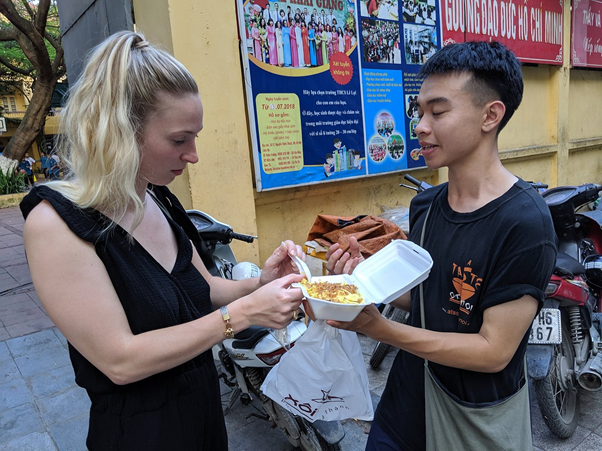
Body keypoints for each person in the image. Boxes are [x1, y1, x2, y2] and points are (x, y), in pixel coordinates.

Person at [20, 31, 305, 450]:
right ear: (120, 131)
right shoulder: (55, 225)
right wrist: (241, 315)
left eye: (195, 137)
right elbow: (120, 360)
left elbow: (202, 290)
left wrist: (260, 284)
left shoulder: (155, 198)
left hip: (203, 421)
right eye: (178, 140)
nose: (193, 156)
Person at [323, 41, 557, 450]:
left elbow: (493, 351)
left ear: (491, 115)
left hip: (471, 415)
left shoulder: (524, 222)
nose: (419, 125)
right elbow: (432, 300)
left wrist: (380, 329)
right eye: (419, 111)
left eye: (438, 111)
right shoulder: (426, 206)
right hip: (405, 401)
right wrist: (359, 279)